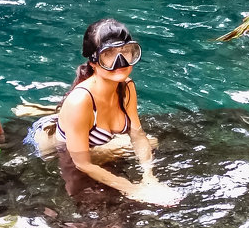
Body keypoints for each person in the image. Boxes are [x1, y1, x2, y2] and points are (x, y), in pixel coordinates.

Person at [55, 18, 181, 206]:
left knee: (152, 142)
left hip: (98, 147)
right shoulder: (80, 101)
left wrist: (149, 177)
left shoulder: (127, 87)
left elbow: (137, 134)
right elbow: (82, 163)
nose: (120, 62)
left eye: (126, 52)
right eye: (109, 54)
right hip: (71, 155)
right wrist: (135, 190)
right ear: (94, 62)